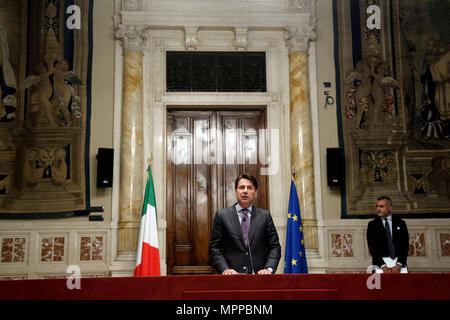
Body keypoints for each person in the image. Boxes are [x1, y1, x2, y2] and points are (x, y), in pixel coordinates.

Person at [209, 173, 281, 275]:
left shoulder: (265, 216)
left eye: (249, 188)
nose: (245, 191)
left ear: (255, 193)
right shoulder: (222, 215)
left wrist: (269, 269)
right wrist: (225, 269)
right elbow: (214, 248)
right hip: (231, 278)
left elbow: (275, 247)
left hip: (259, 278)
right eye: (241, 187)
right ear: (236, 191)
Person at [367, 196, 409, 273]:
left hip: (399, 267)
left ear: (390, 207)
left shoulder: (401, 223)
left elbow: (405, 246)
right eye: (377, 206)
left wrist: (399, 265)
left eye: (381, 206)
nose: (378, 209)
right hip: (379, 267)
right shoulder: (372, 225)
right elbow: (373, 249)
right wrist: (383, 266)